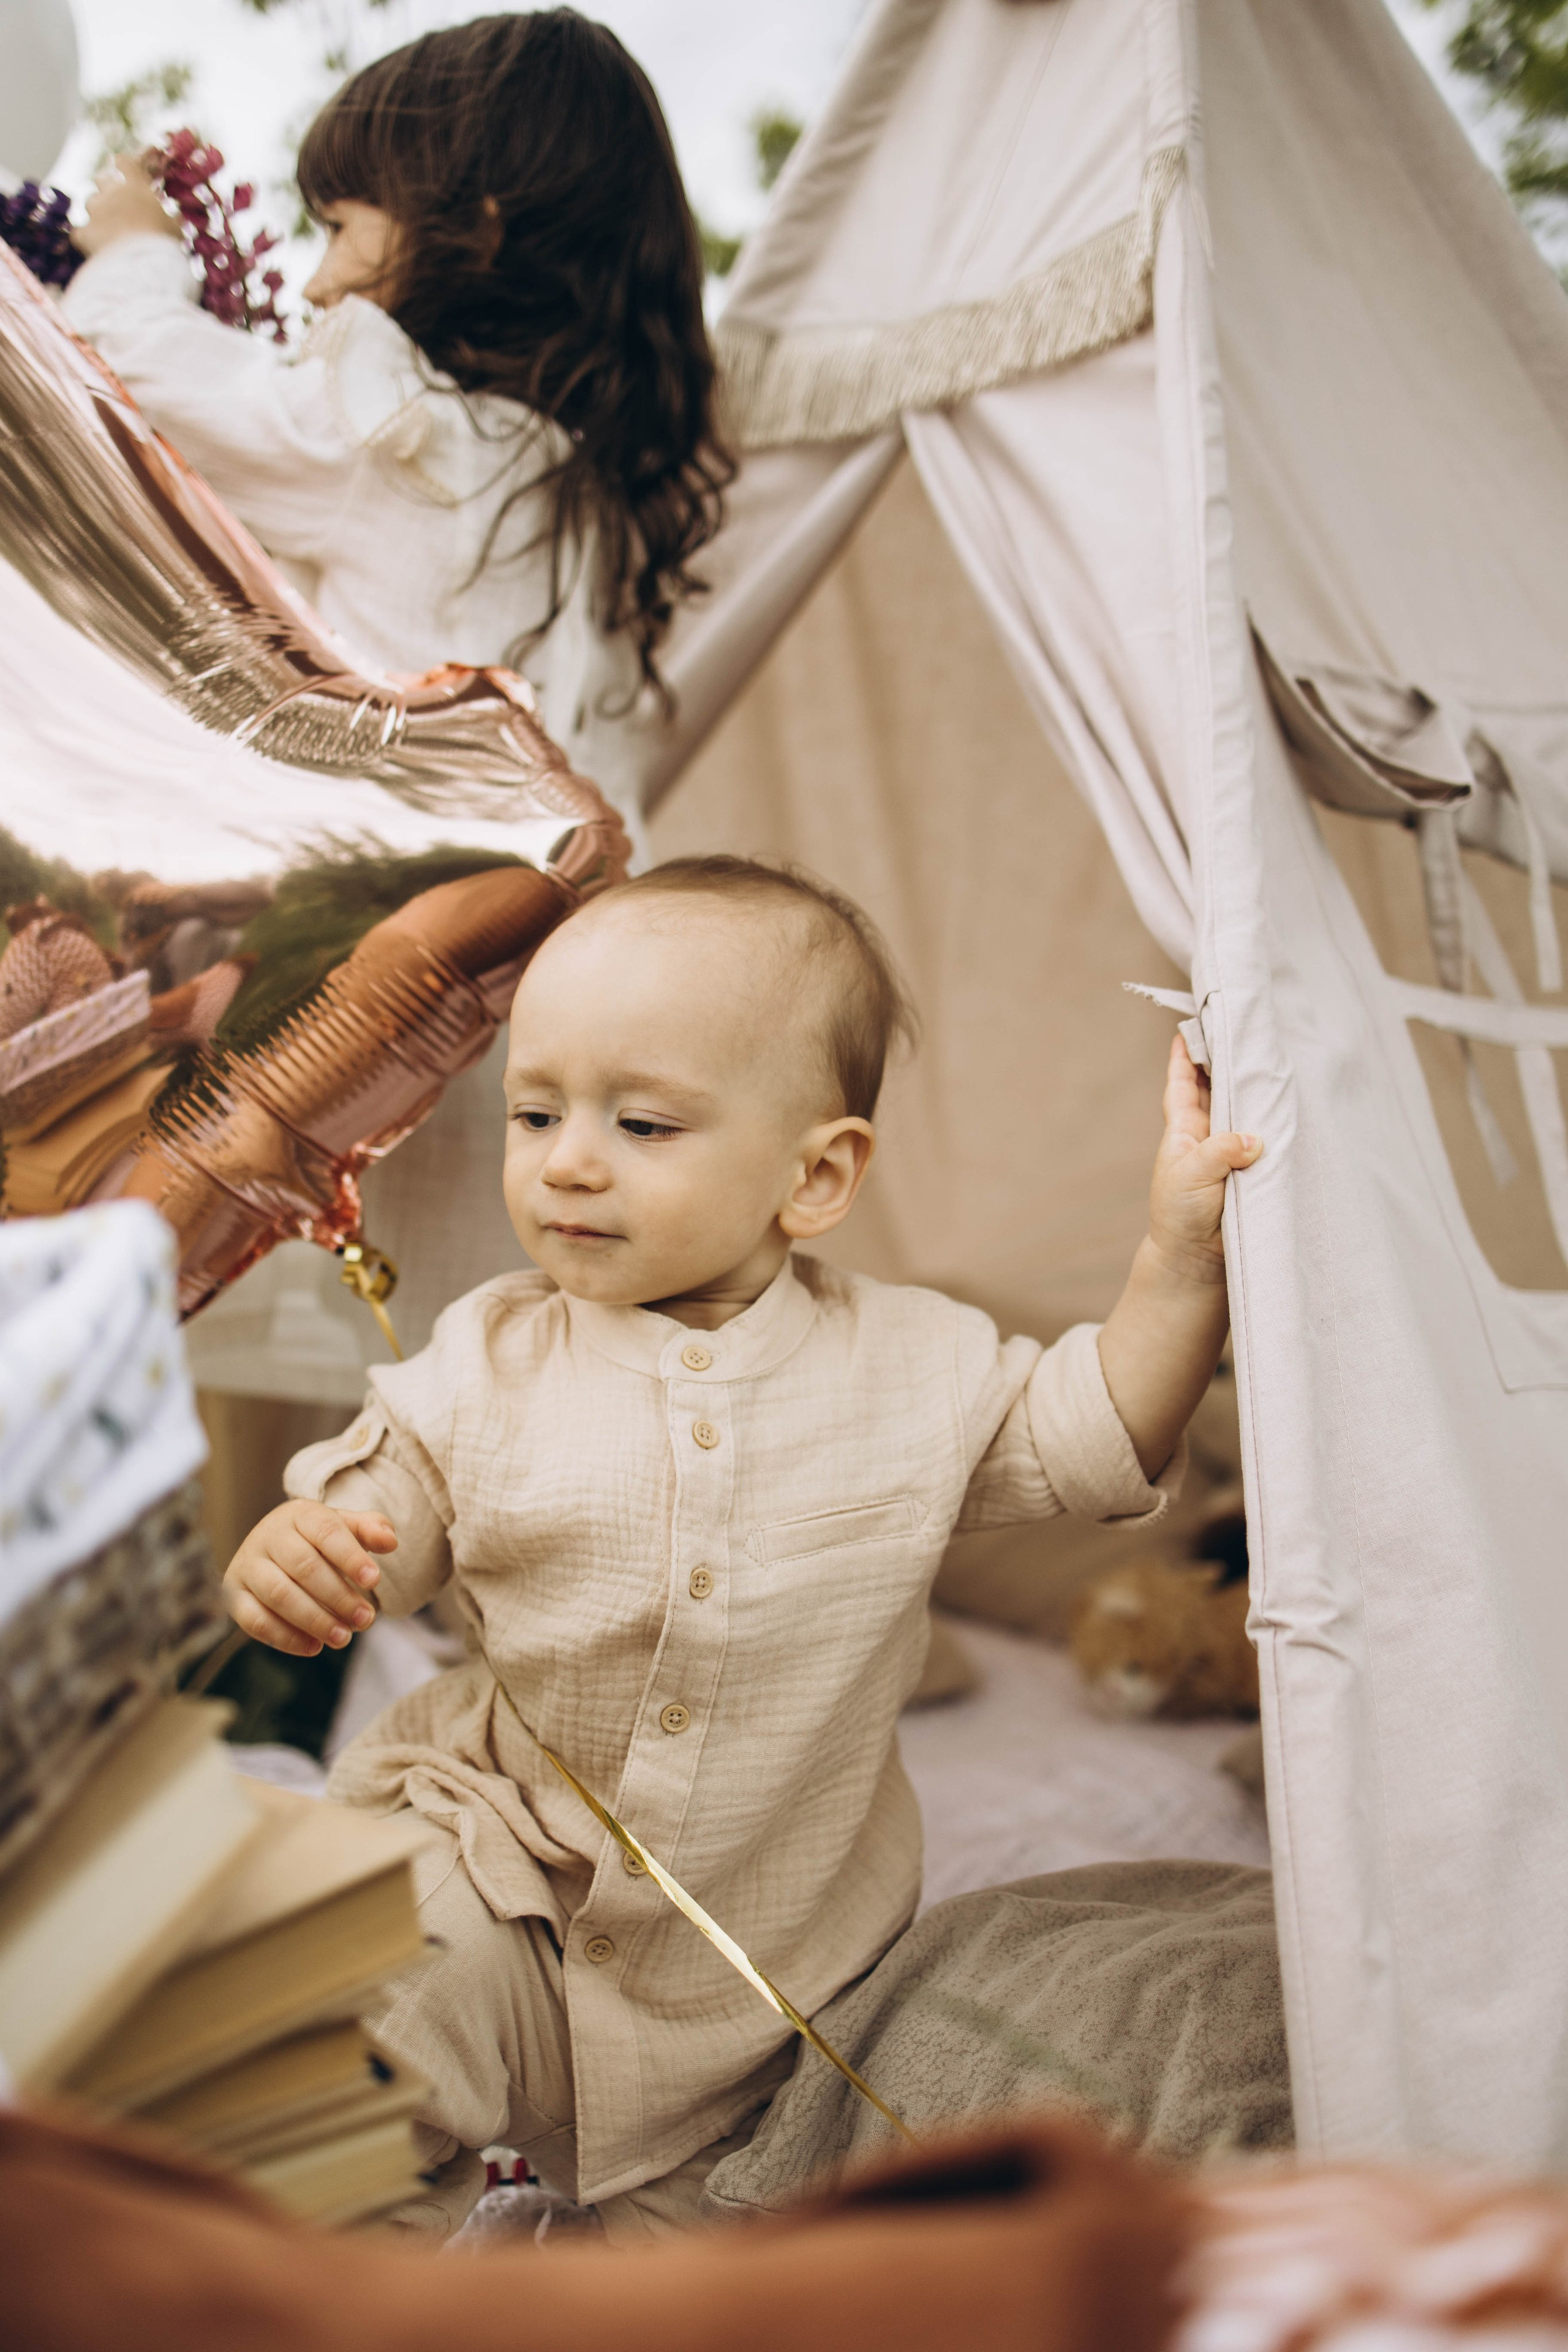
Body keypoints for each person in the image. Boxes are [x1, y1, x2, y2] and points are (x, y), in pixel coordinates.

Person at [221, 856, 1265, 2244]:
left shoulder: (918, 1367)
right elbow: (382, 1501)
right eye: (535, 1112)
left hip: (748, 1987)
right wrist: (308, 1555)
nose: (567, 1159)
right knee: (326, 2065)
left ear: (816, 1175)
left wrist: (1179, 1256)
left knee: (691, 2284)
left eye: (641, 1123)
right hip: (493, 1876)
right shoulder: (487, 1353)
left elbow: (1101, 1425)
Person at [61, 9, 734, 1385]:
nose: (311, 287)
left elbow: (141, 379)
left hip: (384, 966)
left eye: (339, 229)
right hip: (563, 980)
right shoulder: (577, 483)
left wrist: (133, 244)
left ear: (464, 225)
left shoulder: (396, 430)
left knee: (250, 1256)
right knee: (474, 1335)